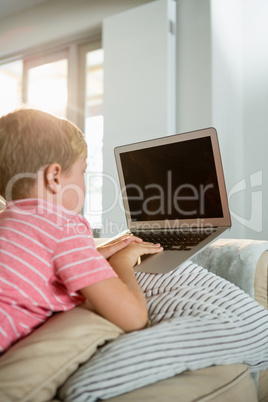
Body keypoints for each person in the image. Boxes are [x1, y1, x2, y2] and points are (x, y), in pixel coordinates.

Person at [0, 108, 163, 353]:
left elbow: (35, 268)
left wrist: (91, 254)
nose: (84, 182)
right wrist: (121, 261)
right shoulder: (63, 223)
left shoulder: (9, 223)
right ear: (54, 177)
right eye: (82, 171)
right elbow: (135, 319)